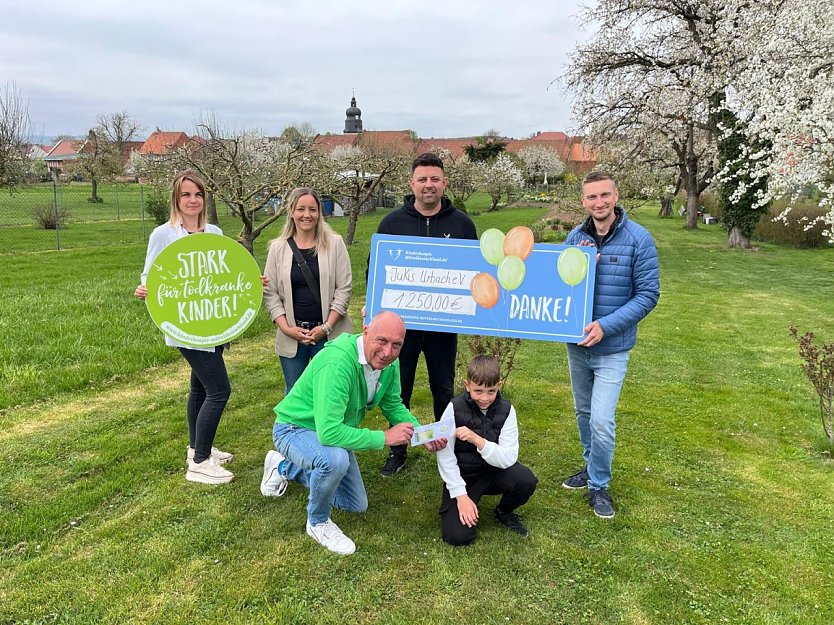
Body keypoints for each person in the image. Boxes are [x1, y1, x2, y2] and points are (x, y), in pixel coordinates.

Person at [259, 311, 442, 555]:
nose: (388, 352)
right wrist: (384, 438)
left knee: (355, 504)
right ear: (365, 331)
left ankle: (283, 468)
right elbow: (329, 432)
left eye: (396, 345)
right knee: (334, 461)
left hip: (329, 431)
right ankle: (317, 522)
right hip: (293, 429)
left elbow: (393, 405)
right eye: (382, 341)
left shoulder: (390, 364)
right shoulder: (337, 363)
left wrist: (422, 434)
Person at [135, 171, 266, 485]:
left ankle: (196, 448)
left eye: (197, 195)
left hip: (215, 323)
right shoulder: (163, 234)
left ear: (204, 199)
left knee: (199, 388)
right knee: (220, 390)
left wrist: (251, 282)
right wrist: (144, 289)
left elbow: (225, 273)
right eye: (185, 195)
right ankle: (201, 463)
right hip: (185, 326)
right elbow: (151, 275)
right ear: (176, 200)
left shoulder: (215, 232)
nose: (192, 200)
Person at [561, 170, 660, 519]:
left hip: (612, 348)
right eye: (591, 197)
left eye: (605, 195)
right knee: (584, 414)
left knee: (602, 419)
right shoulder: (575, 237)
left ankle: (599, 484)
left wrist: (605, 326)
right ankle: (591, 467)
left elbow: (648, 295)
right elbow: (559, 284)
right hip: (577, 346)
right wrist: (585, 268)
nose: (598, 203)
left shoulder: (638, 239)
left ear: (616, 196)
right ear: (583, 201)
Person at [373, 152, 477, 476]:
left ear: (444, 182)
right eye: (422, 179)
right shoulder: (392, 223)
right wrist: (373, 304)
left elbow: (475, 271)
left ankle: (445, 448)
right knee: (397, 390)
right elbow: (375, 271)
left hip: (443, 329)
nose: (428, 185)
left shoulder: (462, 224)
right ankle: (397, 450)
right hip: (400, 330)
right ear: (412, 183)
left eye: (434, 179)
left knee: (443, 390)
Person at [436, 355, 538, 546]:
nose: (484, 398)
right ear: (467, 385)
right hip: (464, 476)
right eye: (478, 391)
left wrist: (477, 440)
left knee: (526, 480)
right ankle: (463, 503)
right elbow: (445, 454)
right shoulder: (454, 408)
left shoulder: (507, 410)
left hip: (493, 472)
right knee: (458, 537)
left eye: (491, 391)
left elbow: (508, 458)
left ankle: (504, 511)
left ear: (499, 385)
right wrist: (461, 495)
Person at [263, 187, 352, 393]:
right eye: (300, 209)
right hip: (293, 337)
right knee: (296, 395)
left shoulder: (335, 244)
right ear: (291, 212)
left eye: (312, 209)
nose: (306, 215)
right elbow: (271, 293)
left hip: (330, 335)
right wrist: (286, 328)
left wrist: (326, 328)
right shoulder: (278, 248)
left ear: (320, 212)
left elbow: (344, 289)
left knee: (330, 393)